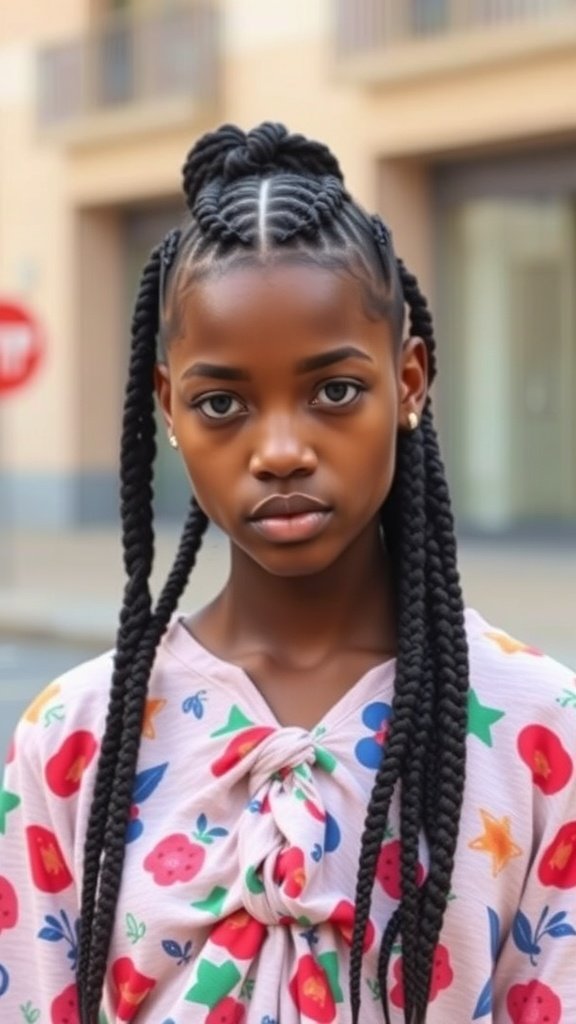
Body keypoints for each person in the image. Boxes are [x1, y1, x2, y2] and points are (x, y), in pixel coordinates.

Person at [0, 122, 574, 1024]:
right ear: (169, 409)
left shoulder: (541, 730)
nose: (279, 450)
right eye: (221, 402)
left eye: (334, 391)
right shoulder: (73, 739)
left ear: (410, 380)